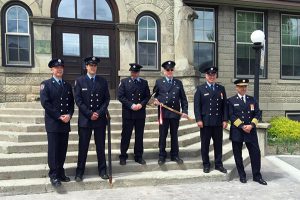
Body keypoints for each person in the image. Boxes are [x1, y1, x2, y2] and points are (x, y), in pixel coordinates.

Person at [74, 56, 110, 182]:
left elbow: (106, 99)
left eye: (95, 65)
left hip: (99, 120)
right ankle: (79, 172)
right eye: (91, 65)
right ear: (86, 67)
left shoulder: (103, 81)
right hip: (85, 120)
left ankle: (103, 170)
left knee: (100, 146)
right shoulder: (80, 81)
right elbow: (78, 100)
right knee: (83, 147)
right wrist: (90, 113)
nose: (93, 67)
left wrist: (99, 113)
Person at [40, 58, 74, 187]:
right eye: (56, 67)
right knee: (54, 149)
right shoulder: (46, 84)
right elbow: (46, 104)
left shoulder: (67, 85)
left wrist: (69, 115)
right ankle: (53, 175)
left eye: (61, 67)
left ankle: (60, 171)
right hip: (53, 123)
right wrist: (59, 116)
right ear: (52, 69)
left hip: (65, 122)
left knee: (62, 149)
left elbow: (71, 103)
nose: (59, 69)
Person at [227, 78, 267, 185]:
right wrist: (242, 126)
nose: (243, 88)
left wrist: (252, 125)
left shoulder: (252, 100)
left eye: (245, 86)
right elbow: (231, 115)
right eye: (241, 86)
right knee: (237, 154)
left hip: (251, 130)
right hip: (238, 131)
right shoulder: (231, 101)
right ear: (237, 88)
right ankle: (242, 175)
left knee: (255, 153)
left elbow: (257, 114)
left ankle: (257, 176)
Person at [194, 66, 228, 174]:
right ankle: (206, 164)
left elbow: (224, 106)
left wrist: (225, 119)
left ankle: (218, 164)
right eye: (210, 75)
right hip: (205, 122)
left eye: (213, 75)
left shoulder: (221, 88)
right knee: (205, 144)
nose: (211, 77)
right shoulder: (200, 89)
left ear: (216, 76)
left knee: (218, 144)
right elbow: (197, 106)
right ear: (206, 76)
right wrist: (198, 119)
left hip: (218, 122)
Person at [153, 60, 188, 166]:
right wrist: (155, 101)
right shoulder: (159, 82)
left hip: (174, 113)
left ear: (174, 70)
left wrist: (185, 111)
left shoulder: (178, 83)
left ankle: (175, 155)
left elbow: (183, 99)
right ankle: (161, 156)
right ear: (164, 71)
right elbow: (153, 96)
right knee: (162, 135)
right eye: (167, 70)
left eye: (171, 70)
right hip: (163, 113)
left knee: (174, 135)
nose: (169, 71)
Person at [118, 63, 150, 165]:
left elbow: (147, 96)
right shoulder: (124, 82)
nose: (134, 73)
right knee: (126, 135)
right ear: (130, 72)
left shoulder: (144, 83)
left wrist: (141, 104)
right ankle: (123, 156)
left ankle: (138, 156)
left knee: (139, 136)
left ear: (138, 72)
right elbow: (120, 96)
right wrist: (131, 105)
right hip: (128, 113)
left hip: (140, 113)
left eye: (136, 72)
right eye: (132, 72)